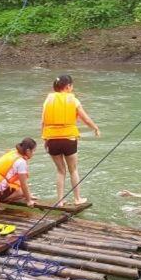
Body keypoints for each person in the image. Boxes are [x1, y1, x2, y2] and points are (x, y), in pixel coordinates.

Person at [41, 74, 100, 206]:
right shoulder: (74, 101)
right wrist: (95, 128)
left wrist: (45, 139)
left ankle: (60, 201)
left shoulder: (48, 100)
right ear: (68, 87)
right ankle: (77, 199)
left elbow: (43, 121)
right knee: (73, 170)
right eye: (72, 86)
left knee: (60, 171)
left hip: (52, 139)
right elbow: (85, 118)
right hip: (69, 139)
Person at [0, 137, 37, 209]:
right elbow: (24, 184)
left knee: (20, 187)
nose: (34, 153)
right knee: (22, 192)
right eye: (34, 151)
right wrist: (29, 200)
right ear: (28, 151)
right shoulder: (21, 162)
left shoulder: (13, 152)